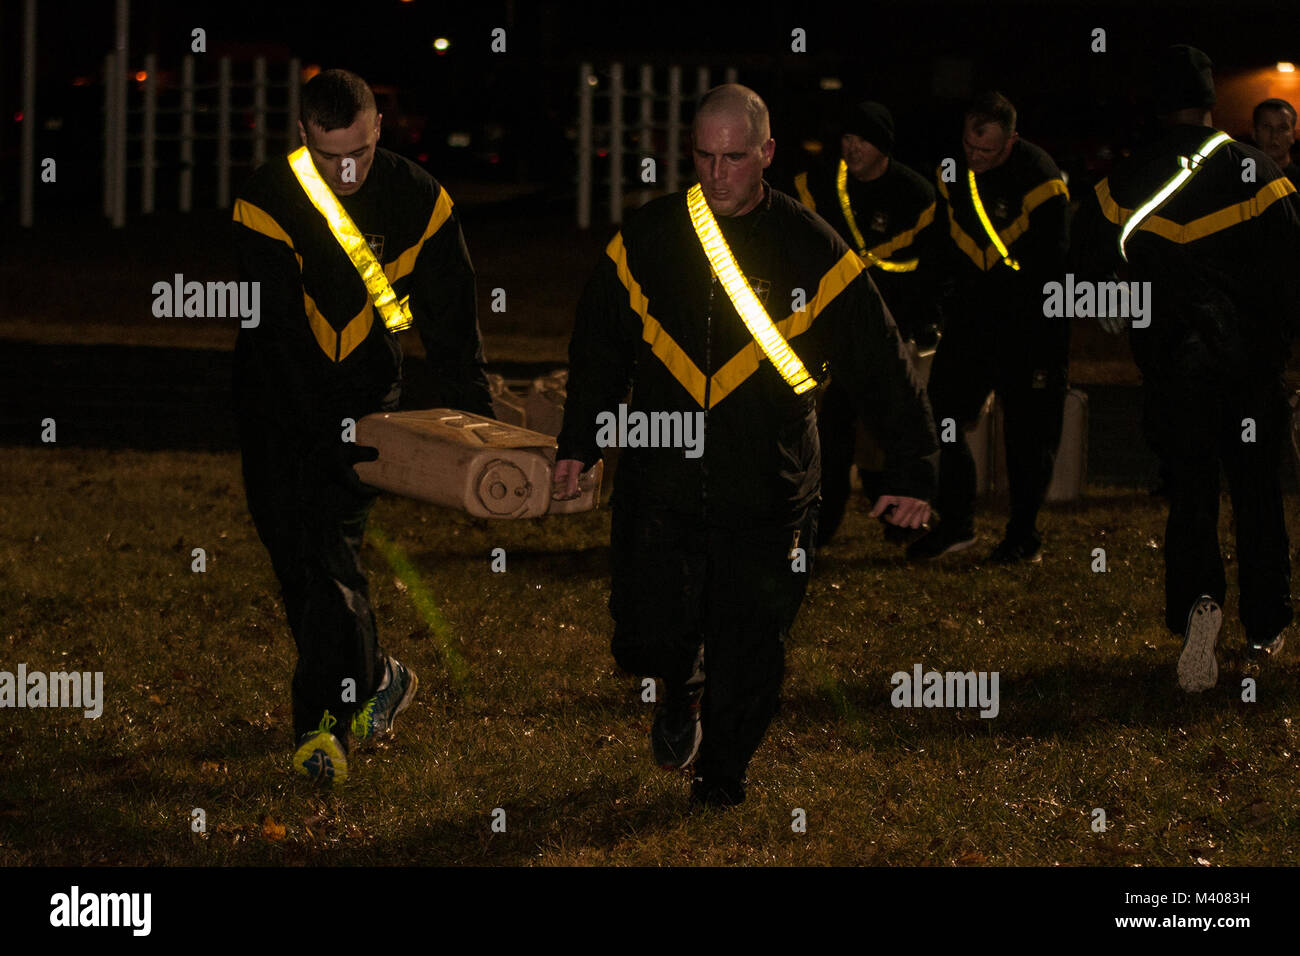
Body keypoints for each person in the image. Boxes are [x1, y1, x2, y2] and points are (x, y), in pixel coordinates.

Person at [553, 85, 937, 808]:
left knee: (753, 645)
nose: (718, 173)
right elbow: (598, 348)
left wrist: (915, 468)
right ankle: (677, 687)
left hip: (770, 485)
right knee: (645, 635)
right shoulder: (646, 237)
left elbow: (882, 362)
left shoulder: (813, 249)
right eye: (704, 156)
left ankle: (722, 771)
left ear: (766, 153)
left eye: (735, 157)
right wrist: (581, 442)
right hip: (662, 481)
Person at [231, 69, 493, 783]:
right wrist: (311, 430)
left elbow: (452, 322)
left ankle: (322, 727)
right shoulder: (265, 199)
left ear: (380, 127)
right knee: (299, 563)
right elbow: (275, 334)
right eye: (327, 157)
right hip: (277, 404)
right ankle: (378, 674)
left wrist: (478, 429)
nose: (345, 172)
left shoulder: (421, 201)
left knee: (328, 557)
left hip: (365, 406)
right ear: (304, 137)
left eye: (359, 153)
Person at [1073, 46, 1300, 691]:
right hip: (1252, 375)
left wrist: (1129, 314)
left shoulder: (1121, 183)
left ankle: (1199, 608)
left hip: (1174, 374)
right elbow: (1291, 277)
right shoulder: (1260, 173)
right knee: (1257, 498)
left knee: (1192, 498)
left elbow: (1087, 279)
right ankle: (1264, 625)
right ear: (1209, 102)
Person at [906, 91, 1071, 565]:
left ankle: (1023, 536)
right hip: (973, 319)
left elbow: (1053, 264)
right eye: (968, 146)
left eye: (987, 150)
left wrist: (1041, 332)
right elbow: (940, 243)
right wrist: (928, 304)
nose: (974, 158)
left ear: (1012, 141)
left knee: (1027, 434)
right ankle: (956, 522)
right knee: (943, 416)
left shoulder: (1041, 180)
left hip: (1030, 326)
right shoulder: (951, 173)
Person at [792, 101, 942, 545]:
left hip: (890, 338)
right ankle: (821, 529)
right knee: (831, 438)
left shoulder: (915, 195)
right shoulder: (820, 185)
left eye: (862, 140)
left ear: (883, 147)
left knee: (894, 430)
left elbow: (930, 270)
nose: (852, 148)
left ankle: (902, 517)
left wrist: (923, 323)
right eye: (848, 139)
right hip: (836, 336)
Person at [1252, 97, 1299, 188]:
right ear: (1254, 133)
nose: (1274, 135)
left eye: (1282, 128)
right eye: (1267, 127)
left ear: (1293, 135)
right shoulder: (1239, 183)